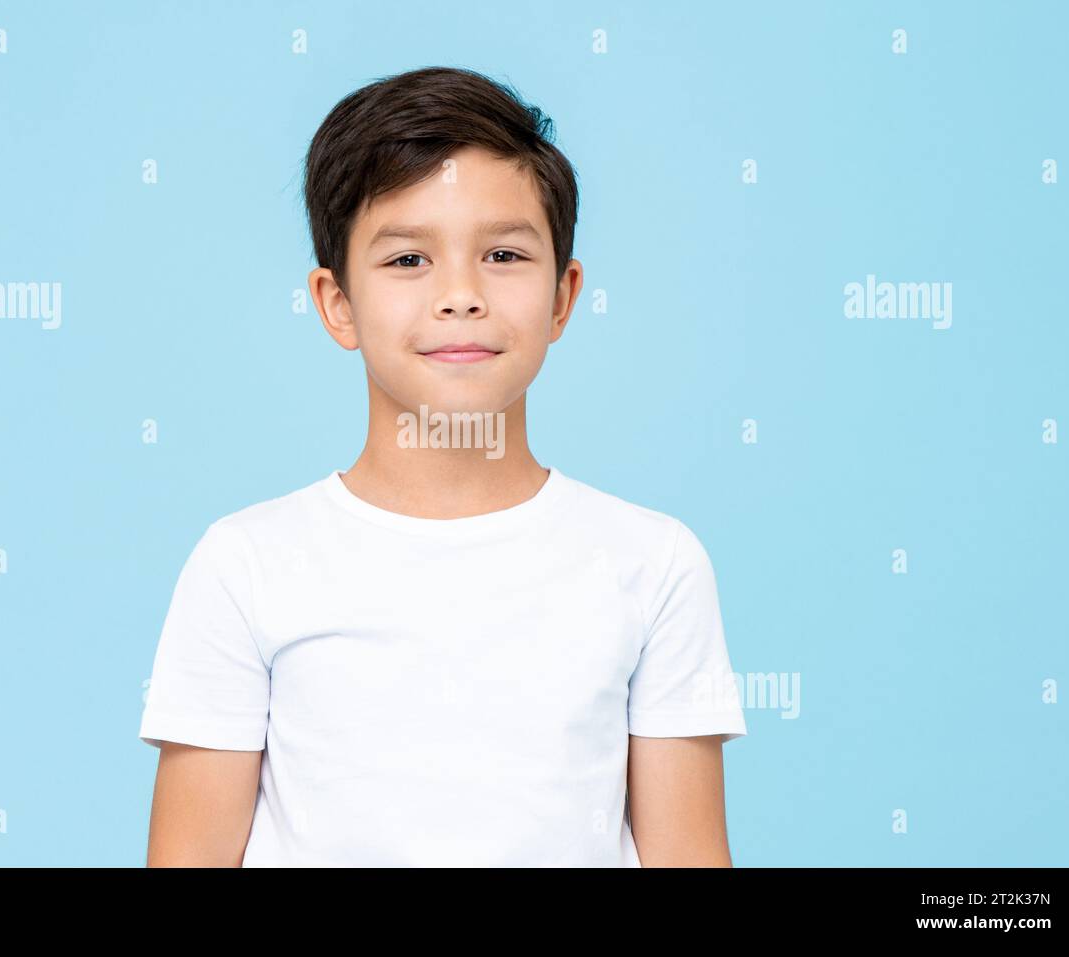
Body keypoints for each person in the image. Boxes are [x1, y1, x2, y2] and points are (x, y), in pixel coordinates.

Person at [139, 66, 747, 867]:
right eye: (406, 261)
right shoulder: (245, 565)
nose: (460, 294)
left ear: (564, 297)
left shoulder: (655, 564)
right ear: (336, 303)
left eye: (501, 253)